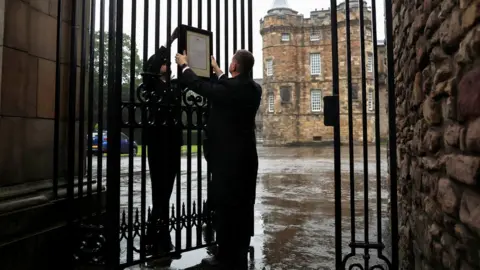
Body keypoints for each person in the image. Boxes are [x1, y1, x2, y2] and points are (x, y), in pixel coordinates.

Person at [175, 49, 261, 269]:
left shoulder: (230, 89)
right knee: (243, 206)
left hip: (227, 160)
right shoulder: (254, 89)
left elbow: (202, 87)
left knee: (225, 206)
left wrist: (185, 66)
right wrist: (219, 72)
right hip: (247, 159)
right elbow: (230, 87)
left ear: (235, 66)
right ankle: (239, 252)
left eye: (231, 62)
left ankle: (224, 257)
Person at [143, 30, 182, 256]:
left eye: (168, 63)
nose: (167, 65)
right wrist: (170, 41)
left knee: (165, 192)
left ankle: (154, 236)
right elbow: (152, 63)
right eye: (163, 63)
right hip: (157, 142)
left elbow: (196, 78)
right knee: (160, 191)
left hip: (173, 143)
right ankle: (161, 239)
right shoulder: (150, 84)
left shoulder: (175, 87)